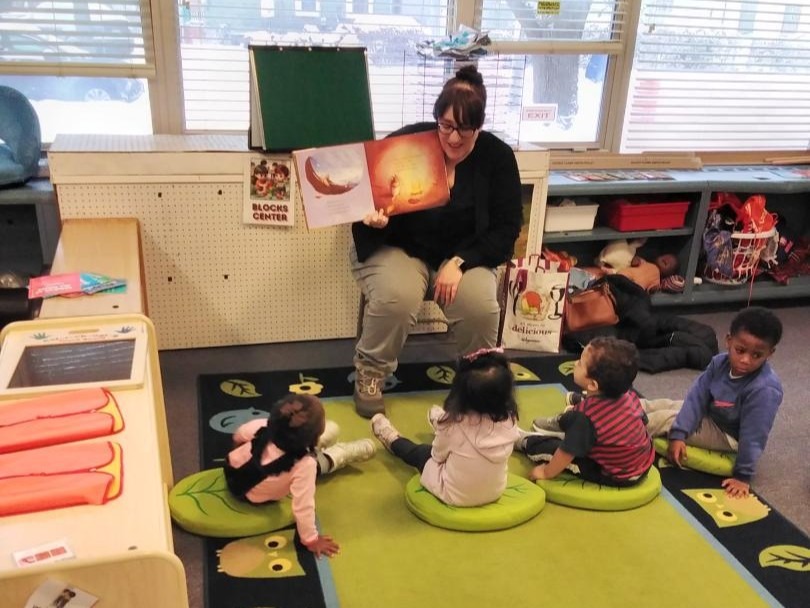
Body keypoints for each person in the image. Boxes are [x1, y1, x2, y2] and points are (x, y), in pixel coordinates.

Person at [350, 64, 523, 418]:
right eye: (446, 126)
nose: (454, 138)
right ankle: (370, 372)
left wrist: (460, 261)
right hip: (399, 248)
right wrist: (373, 215)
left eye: (465, 129)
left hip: (461, 256)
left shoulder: (498, 157)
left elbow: (506, 229)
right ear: (436, 119)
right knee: (397, 298)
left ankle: (479, 380)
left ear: (480, 125)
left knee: (480, 309)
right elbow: (366, 198)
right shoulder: (407, 143)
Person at [642, 306, 783, 498]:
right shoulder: (719, 362)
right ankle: (613, 408)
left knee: (663, 419)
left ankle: (611, 432)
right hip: (712, 413)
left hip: (728, 435)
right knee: (660, 404)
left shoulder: (764, 389)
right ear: (729, 341)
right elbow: (697, 396)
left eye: (756, 355)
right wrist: (682, 430)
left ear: (770, 353)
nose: (745, 360)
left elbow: (754, 435)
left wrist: (743, 476)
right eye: (740, 350)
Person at [224, 393, 376, 557]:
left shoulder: (263, 426)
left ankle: (320, 441)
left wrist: (241, 452)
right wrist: (311, 540)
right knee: (317, 463)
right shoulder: (305, 465)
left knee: (318, 440)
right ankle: (340, 454)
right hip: (254, 496)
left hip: (232, 473)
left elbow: (239, 434)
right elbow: (303, 506)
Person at [369, 348, 519, 506]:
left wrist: (446, 431)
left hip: (454, 494)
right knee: (456, 443)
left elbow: (437, 455)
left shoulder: (454, 425)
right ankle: (440, 426)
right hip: (494, 492)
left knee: (420, 452)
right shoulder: (510, 419)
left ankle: (393, 440)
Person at [518, 337, 655, 486]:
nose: (575, 363)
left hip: (614, 474)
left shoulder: (585, 417)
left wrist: (546, 472)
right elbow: (643, 422)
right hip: (644, 463)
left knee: (551, 446)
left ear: (593, 384)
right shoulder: (629, 395)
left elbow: (566, 453)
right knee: (582, 424)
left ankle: (522, 440)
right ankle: (573, 418)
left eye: (581, 363)